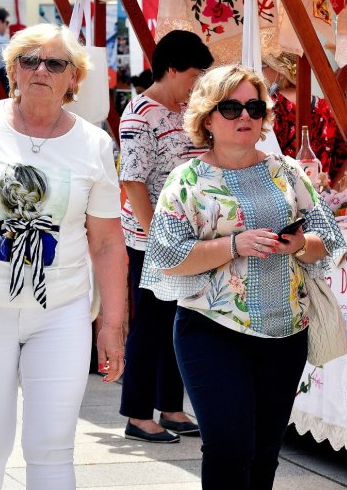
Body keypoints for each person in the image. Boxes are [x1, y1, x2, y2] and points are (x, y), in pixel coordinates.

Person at [0, 23, 127, 489]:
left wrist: (112, 325)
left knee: (53, 449)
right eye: (29, 60)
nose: (41, 70)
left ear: (73, 78)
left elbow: (107, 242)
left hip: (61, 314)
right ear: (12, 69)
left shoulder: (94, 144)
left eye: (55, 63)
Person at [141, 64, 346, 489]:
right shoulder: (187, 180)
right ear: (207, 118)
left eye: (254, 106)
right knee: (229, 445)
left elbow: (327, 234)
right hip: (212, 331)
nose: (245, 117)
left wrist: (300, 244)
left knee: (264, 451)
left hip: (285, 333)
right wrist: (233, 245)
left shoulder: (286, 171)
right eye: (231, 107)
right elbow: (167, 256)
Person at [118, 29, 213, 443]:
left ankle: (171, 407)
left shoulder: (184, 109)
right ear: (171, 69)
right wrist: (157, 233)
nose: (197, 84)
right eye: (194, 74)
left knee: (181, 319)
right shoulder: (140, 114)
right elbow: (133, 181)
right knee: (152, 324)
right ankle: (138, 414)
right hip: (153, 238)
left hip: (187, 236)